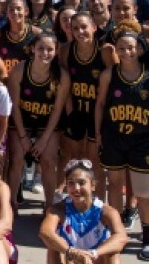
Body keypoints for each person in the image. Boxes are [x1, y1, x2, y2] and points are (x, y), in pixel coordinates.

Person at [95, 27, 149, 261]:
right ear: (116, 50)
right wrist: (98, 134)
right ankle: (118, 234)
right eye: (122, 48)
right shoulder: (108, 75)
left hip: (141, 140)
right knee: (114, 186)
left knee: (143, 193)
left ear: (140, 49)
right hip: (114, 137)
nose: (127, 52)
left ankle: (147, 240)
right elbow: (100, 105)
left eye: (132, 48)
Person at [6, 32, 69, 209]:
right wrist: (23, 136)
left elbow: (58, 109)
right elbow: (14, 106)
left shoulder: (61, 75)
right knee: (17, 158)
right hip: (21, 120)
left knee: (49, 160)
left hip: (46, 123)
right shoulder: (20, 70)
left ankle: (49, 206)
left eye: (50, 49)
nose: (45, 53)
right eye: (41, 48)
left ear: (56, 51)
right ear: (33, 49)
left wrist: (43, 140)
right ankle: (11, 204)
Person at [59, 12, 114, 197]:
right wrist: (70, 113)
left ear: (94, 27)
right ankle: (77, 200)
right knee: (76, 159)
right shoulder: (66, 50)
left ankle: (97, 206)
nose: (80, 31)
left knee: (94, 162)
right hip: (77, 111)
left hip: (97, 113)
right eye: (76, 28)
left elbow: (116, 84)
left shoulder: (105, 51)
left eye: (84, 27)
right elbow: (64, 83)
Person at [39, 159, 128, 264]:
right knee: (54, 248)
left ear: (93, 185)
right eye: (71, 183)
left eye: (82, 183)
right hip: (71, 259)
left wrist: (93, 253)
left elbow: (121, 237)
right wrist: (72, 252)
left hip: (94, 259)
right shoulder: (57, 210)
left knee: (113, 253)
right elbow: (45, 232)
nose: (76, 188)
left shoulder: (107, 211)